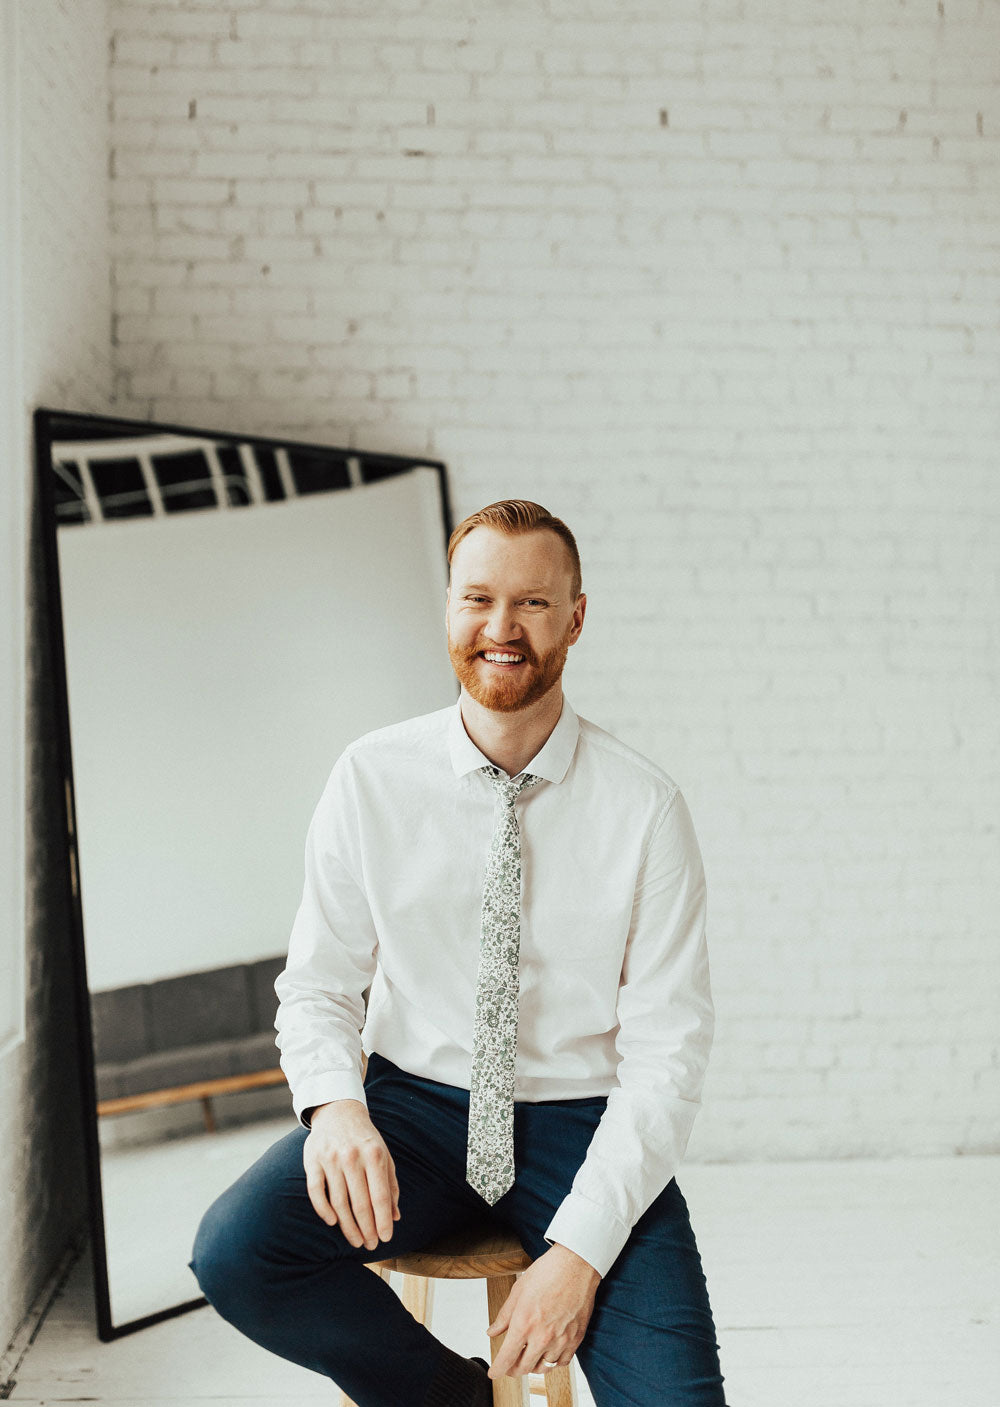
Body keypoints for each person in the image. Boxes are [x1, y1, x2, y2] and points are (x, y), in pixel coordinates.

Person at [191, 500, 727, 1407]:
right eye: (477, 599)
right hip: (417, 1115)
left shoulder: (645, 808)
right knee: (238, 1250)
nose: (501, 629)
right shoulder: (370, 777)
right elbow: (319, 983)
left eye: (532, 604)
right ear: (447, 608)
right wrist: (334, 1109)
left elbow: (668, 1053)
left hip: (582, 1126)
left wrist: (579, 1253)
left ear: (576, 618)